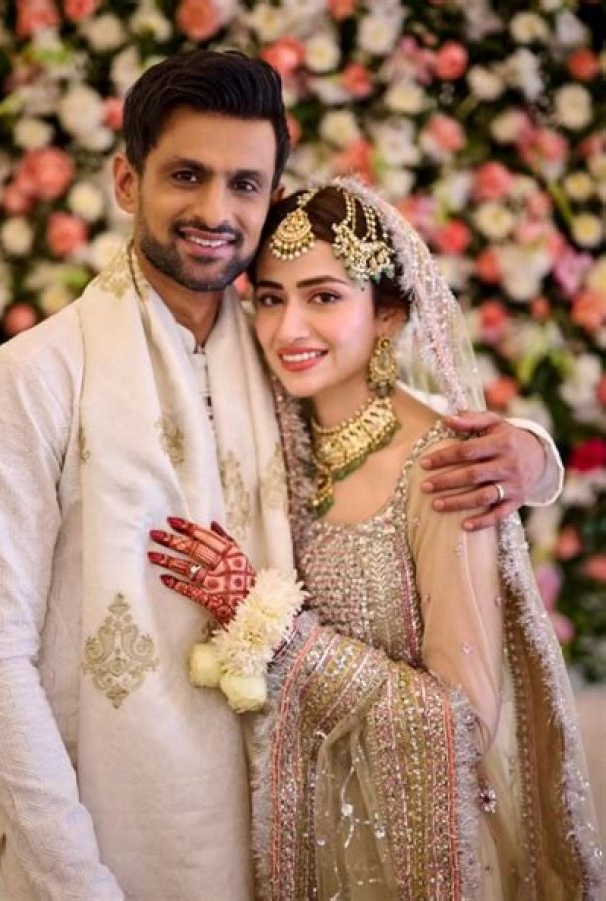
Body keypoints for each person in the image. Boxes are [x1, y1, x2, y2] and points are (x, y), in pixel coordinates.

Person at [0, 51, 567, 900]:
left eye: (243, 184)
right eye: (186, 175)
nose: (214, 210)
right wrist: (75, 882)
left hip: (281, 850)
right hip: (109, 843)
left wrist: (529, 452)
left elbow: (383, 412)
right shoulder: (26, 382)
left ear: (271, 197)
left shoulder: (274, 353)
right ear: (127, 181)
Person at [148, 181, 602, 899]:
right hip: (282, 825)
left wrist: (277, 635)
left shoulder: (443, 471)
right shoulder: (270, 429)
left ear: (387, 313)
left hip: (399, 852)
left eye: (324, 297)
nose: (289, 329)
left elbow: (464, 722)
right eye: (270, 298)